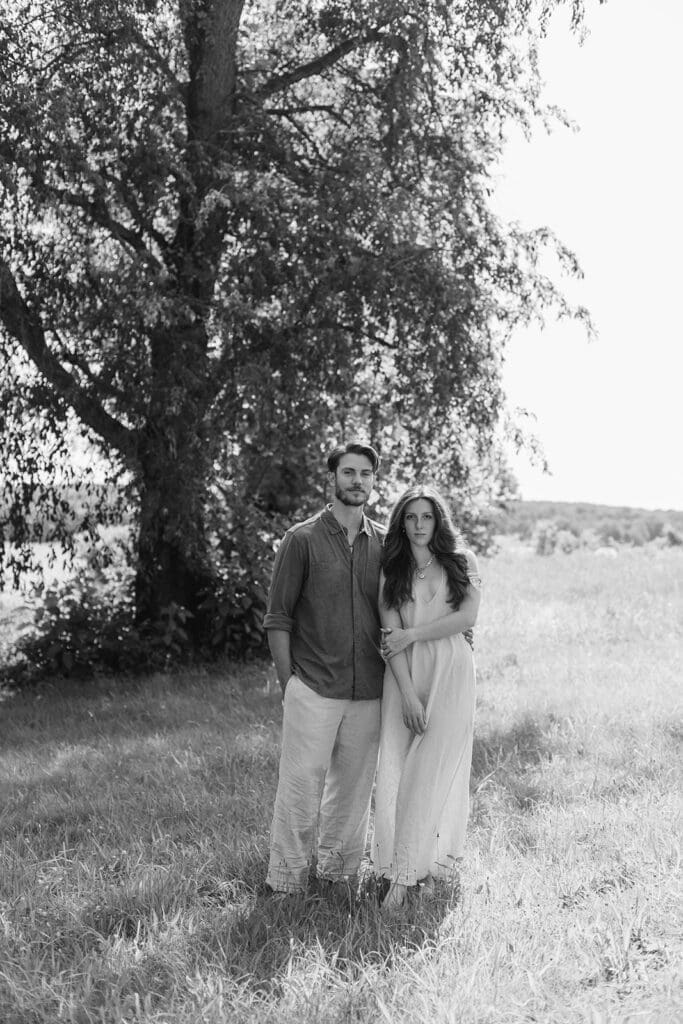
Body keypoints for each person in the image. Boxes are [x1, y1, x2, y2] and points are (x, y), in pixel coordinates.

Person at [264, 441, 386, 894]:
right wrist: (289, 684)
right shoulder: (302, 539)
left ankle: (339, 877)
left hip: (368, 690)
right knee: (300, 787)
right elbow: (278, 618)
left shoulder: (385, 543)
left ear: (374, 482)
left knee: (352, 793)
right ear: (332, 479)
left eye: (366, 474)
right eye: (349, 472)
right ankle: (286, 883)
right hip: (313, 687)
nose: (357, 481)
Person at [372, 485, 482, 910]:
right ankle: (402, 865)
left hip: (451, 674)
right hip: (403, 676)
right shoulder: (391, 569)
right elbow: (389, 638)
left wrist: (413, 633)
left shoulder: (462, 562)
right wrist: (408, 696)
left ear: (439, 521)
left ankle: (409, 877)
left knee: (429, 773)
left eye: (427, 517)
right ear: (401, 522)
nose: (419, 526)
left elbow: (467, 618)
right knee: (400, 772)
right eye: (412, 517)